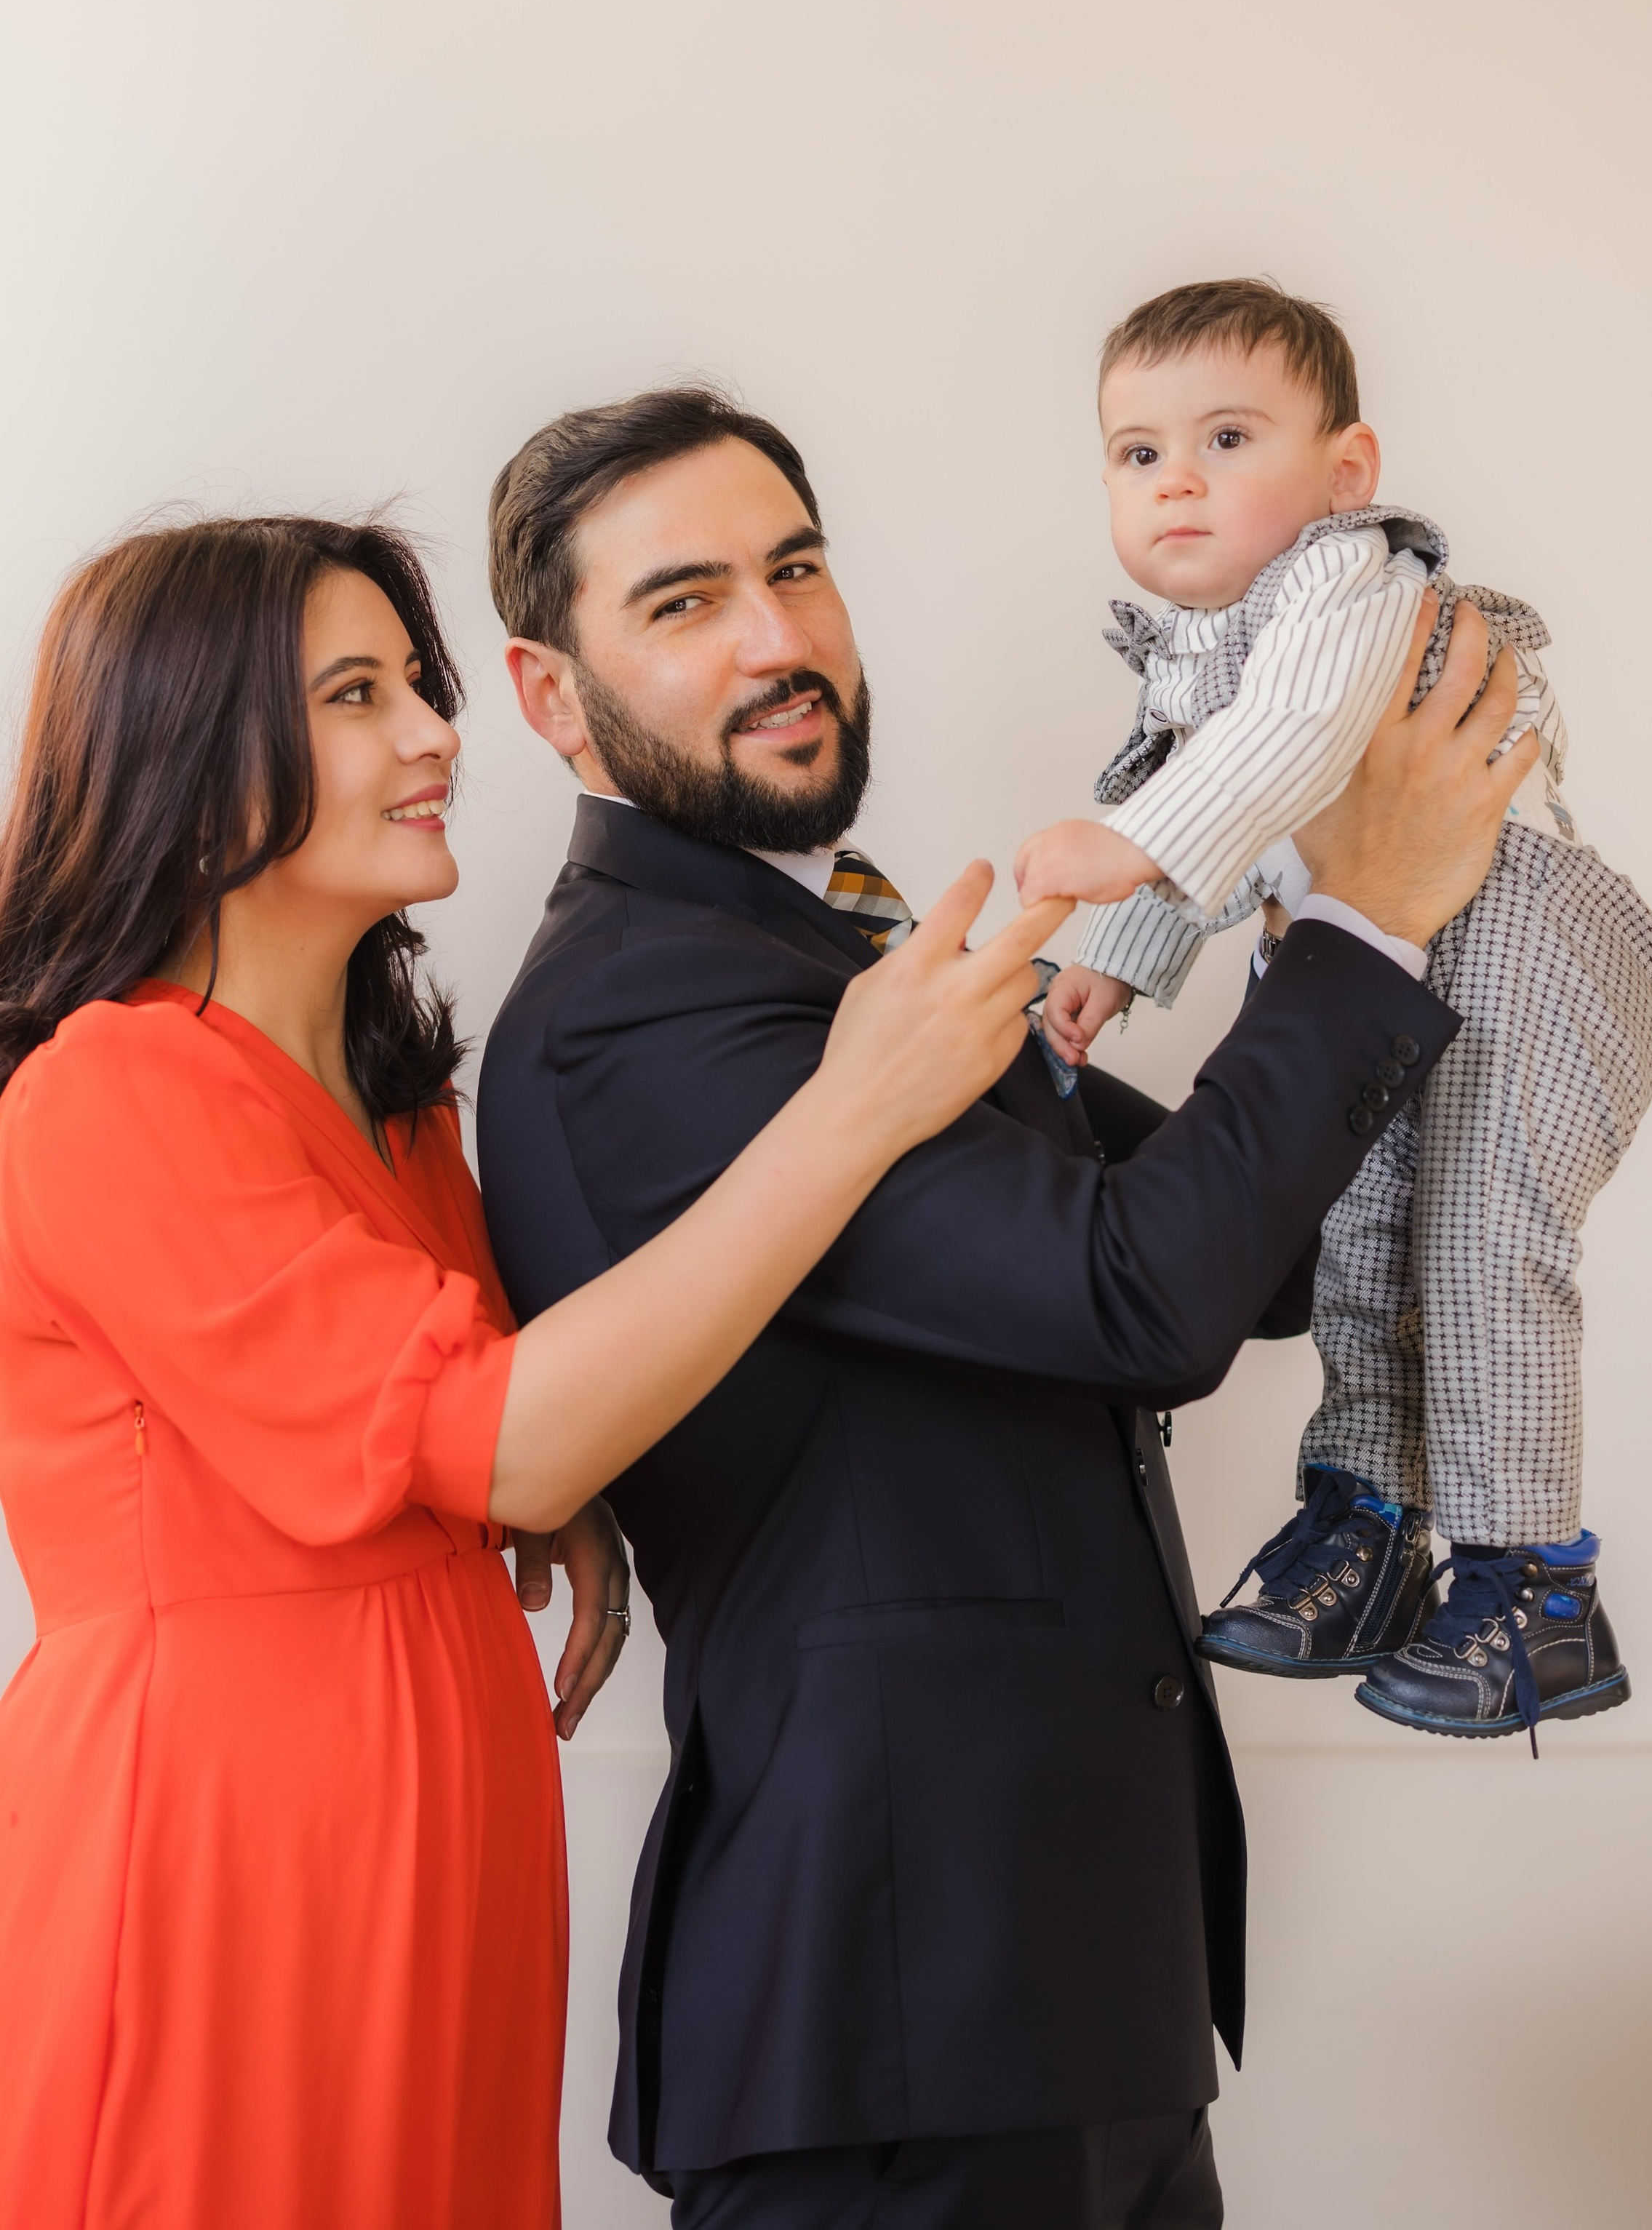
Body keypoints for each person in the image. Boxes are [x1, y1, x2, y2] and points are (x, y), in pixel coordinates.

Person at [0, 513, 1064, 2230]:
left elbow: (477, 1421)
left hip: (421, 1855)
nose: (440, 733)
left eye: (418, 687)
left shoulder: (398, 1118)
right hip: (206, 1871)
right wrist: (858, 1105)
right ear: (189, 763)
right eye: (358, 695)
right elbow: (491, 1438)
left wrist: (563, 1476)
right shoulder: (116, 1089)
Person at [475, 384, 1533, 2230]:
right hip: (889, 2032)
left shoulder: (843, 956)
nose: (778, 639)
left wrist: (1303, 904)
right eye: (684, 601)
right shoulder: (648, 1007)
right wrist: (1369, 924)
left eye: (795, 569)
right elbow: (1145, 1300)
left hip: (1063, 1996)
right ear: (550, 696)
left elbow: (1247, 1254)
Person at [1019, 281, 1652, 1747]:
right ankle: (1369, 1520)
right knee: (1356, 1225)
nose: (1173, 479)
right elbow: (1214, 797)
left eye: (1225, 437)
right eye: (1134, 454)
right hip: (1367, 935)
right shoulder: (1206, 645)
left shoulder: (1345, 584)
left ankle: (1532, 1583)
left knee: (1477, 1244)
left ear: (1344, 475)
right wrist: (1117, 956)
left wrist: (1129, 854)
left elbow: (1290, 743)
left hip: (1528, 930)